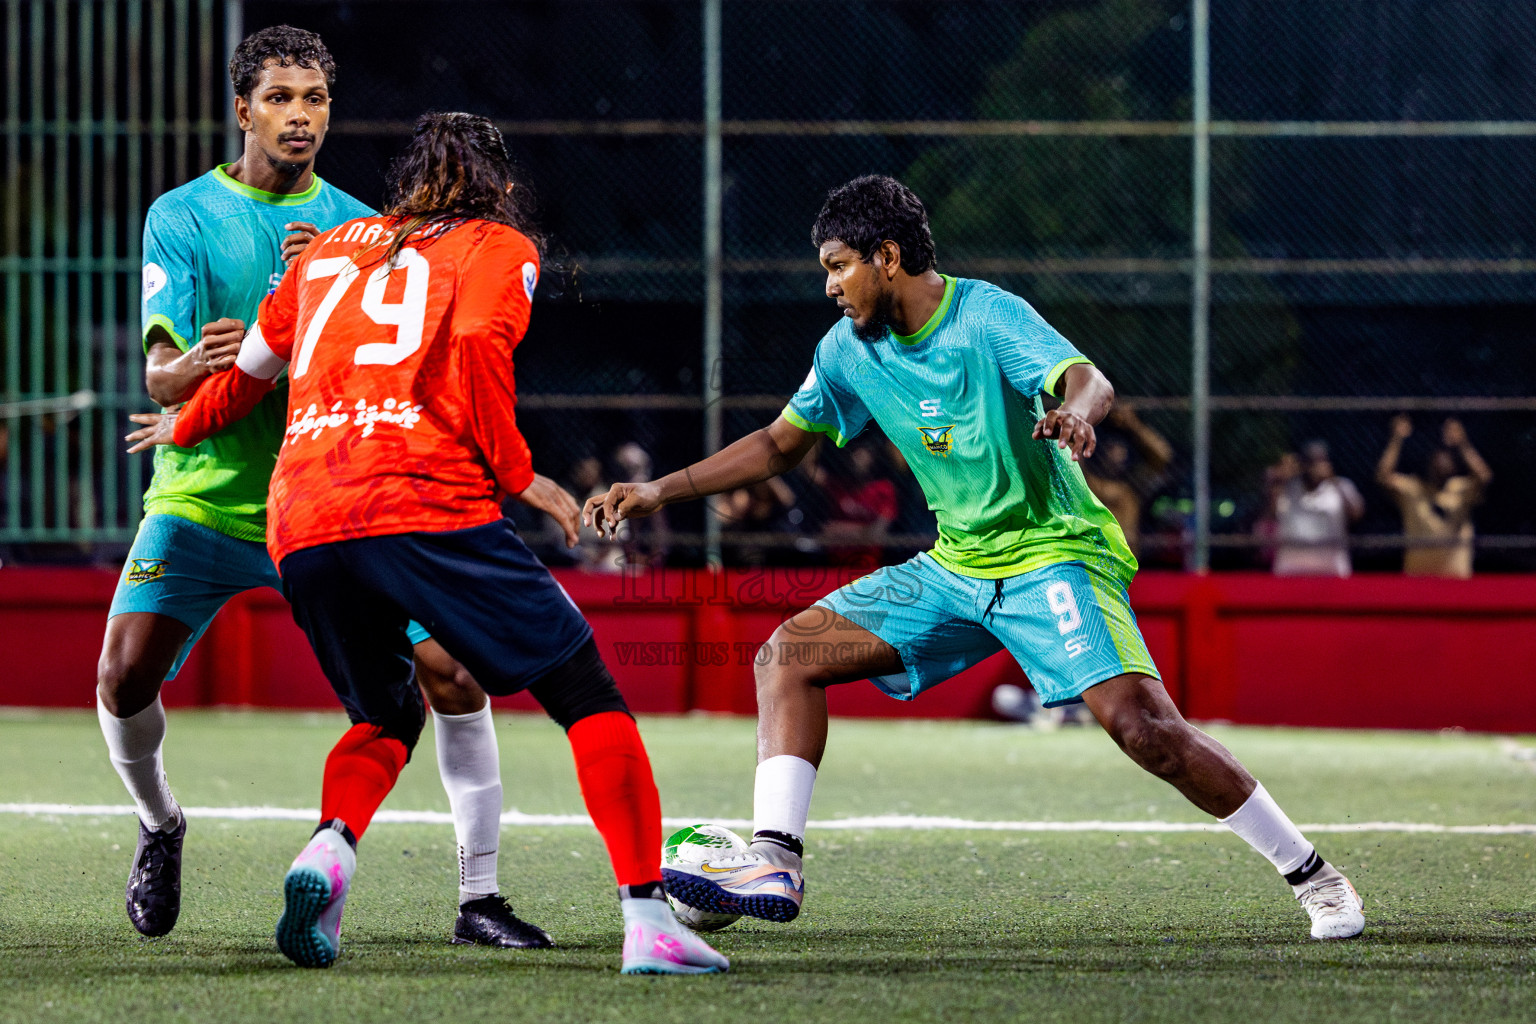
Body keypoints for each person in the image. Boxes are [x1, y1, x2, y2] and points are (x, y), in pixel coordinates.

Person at [585, 175, 1364, 941]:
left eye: (837, 265)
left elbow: (1087, 378)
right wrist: (659, 490)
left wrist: (1076, 413)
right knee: (789, 654)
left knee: (1143, 729)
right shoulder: (849, 349)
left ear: (886, 257)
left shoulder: (986, 315)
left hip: (1053, 554)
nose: (830, 286)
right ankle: (773, 860)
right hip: (955, 567)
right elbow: (779, 444)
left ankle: (1315, 877)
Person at [127, 112, 728, 975]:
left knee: (383, 713)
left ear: (408, 183)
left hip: (303, 516)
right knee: (589, 696)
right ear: (502, 189)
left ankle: (329, 850)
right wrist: (526, 480)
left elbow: (248, 375)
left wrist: (184, 421)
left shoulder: (331, 248)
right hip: (419, 501)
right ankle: (648, 921)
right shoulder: (498, 245)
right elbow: (481, 344)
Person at [100, 26, 532, 949]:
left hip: (335, 498)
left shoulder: (354, 227)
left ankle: (479, 897)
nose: (301, 117)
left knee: (454, 676)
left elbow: (384, 369)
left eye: (317, 100)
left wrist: (323, 284)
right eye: (282, 98)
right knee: (122, 675)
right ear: (243, 107)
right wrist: (203, 364)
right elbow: (163, 377)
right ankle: (162, 825)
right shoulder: (181, 215)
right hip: (204, 497)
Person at [1376, 415, 1492, 579]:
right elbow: (1383, 477)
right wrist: (1396, 439)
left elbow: (1484, 477)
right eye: (1436, 459)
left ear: (1454, 465)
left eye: (1446, 459)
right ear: (1428, 465)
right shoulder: (1413, 489)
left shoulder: (1461, 489)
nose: (1441, 463)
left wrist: (1463, 443)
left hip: (1456, 580)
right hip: (1418, 581)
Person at [1080, 403, 1173, 558]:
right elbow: (1068, 456)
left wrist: (1133, 423)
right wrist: (1082, 420)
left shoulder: (1133, 483)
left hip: (1126, 561)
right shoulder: (1086, 480)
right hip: (1091, 558)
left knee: (1124, 496)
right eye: (1111, 448)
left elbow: (1164, 456)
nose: (1118, 454)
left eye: (1122, 448)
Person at [1269, 441, 1364, 577]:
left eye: (1321, 460)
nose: (1316, 466)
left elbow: (1356, 514)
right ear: (1303, 465)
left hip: (1331, 569)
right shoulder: (1288, 488)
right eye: (1311, 462)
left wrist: (1332, 480)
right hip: (1292, 569)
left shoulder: (1340, 486)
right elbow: (1270, 513)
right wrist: (1279, 479)